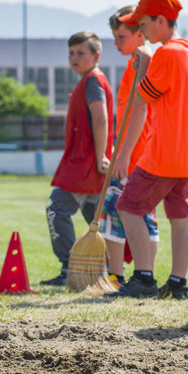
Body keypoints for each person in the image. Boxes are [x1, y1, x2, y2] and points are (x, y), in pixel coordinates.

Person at [112, 0, 188, 300]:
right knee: (179, 216)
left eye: (144, 22)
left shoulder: (167, 54)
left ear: (161, 21)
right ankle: (178, 284)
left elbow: (141, 101)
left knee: (128, 206)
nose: (141, 30)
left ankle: (144, 278)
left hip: (164, 151)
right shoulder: (187, 51)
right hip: (187, 152)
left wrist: (144, 65)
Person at [41, 30, 113, 287]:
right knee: (95, 215)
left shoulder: (93, 81)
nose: (74, 58)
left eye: (81, 53)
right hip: (87, 163)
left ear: (96, 55)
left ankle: (69, 267)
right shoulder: (91, 80)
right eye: (71, 53)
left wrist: (102, 155)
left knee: (56, 208)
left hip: (84, 164)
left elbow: (101, 118)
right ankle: (109, 267)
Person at [99, 7, 159, 287]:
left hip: (136, 158)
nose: (116, 43)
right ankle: (118, 274)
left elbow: (141, 110)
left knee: (125, 212)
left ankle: (134, 275)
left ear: (139, 33)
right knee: (114, 214)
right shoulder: (130, 66)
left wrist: (124, 155)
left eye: (121, 36)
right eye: (114, 36)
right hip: (125, 154)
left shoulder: (145, 59)